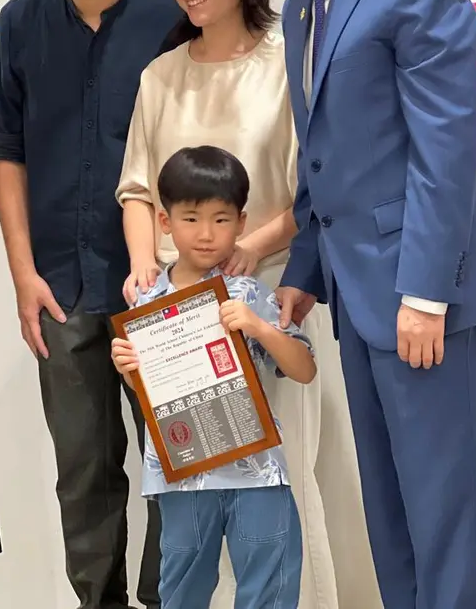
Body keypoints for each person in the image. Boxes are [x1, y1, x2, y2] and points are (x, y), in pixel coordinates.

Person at [241, 0, 476, 609]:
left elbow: (446, 154)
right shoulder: (303, 3)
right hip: (357, 298)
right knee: (390, 518)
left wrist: (425, 292)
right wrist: (303, 268)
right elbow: (321, 159)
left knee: (443, 517)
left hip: (424, 296)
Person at [116, 0, 338, 607]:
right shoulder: (161, 75)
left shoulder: (288, 62)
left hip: (268, 289)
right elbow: (136, 188)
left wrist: (247, 247)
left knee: (280, 485)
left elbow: (313, 186)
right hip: (172, 308)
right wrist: (142, 268)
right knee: (190, 486)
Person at [0, 0, 182, 609]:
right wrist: (21, 272)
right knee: (83, 465)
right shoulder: (23, 20)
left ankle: (166, 598)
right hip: (60, 282)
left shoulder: (172, 16)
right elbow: (9, 150)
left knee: (178, 459)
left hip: (159, 279)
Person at [112, 145, 315, 609]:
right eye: (190, 218)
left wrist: (260, 326)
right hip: (181, 476)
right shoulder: (146, 303)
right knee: (181, 592)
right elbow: (148, 397)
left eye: (221, 220)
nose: (206, 234)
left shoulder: (248, 293)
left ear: (242, 223)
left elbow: (303, 369)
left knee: (270, 589)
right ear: (165, 222)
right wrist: (128, 368)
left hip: (258, 473)